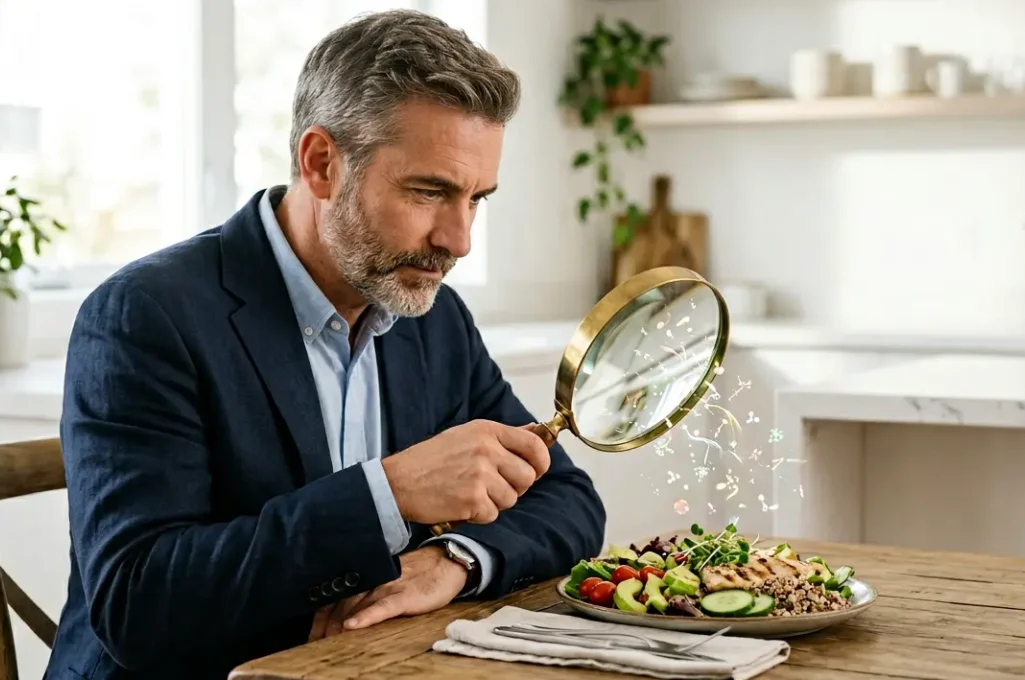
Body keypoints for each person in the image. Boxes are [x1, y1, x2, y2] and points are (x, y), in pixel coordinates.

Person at [44, 9, 607, 680]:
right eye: (430, 191)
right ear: (321, 164)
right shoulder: (146, 315)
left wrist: (449, 560)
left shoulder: (435, 317)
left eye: (476, 199)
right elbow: (139, 604)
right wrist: (390, 496)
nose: (458, 240)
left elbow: (568, 499)